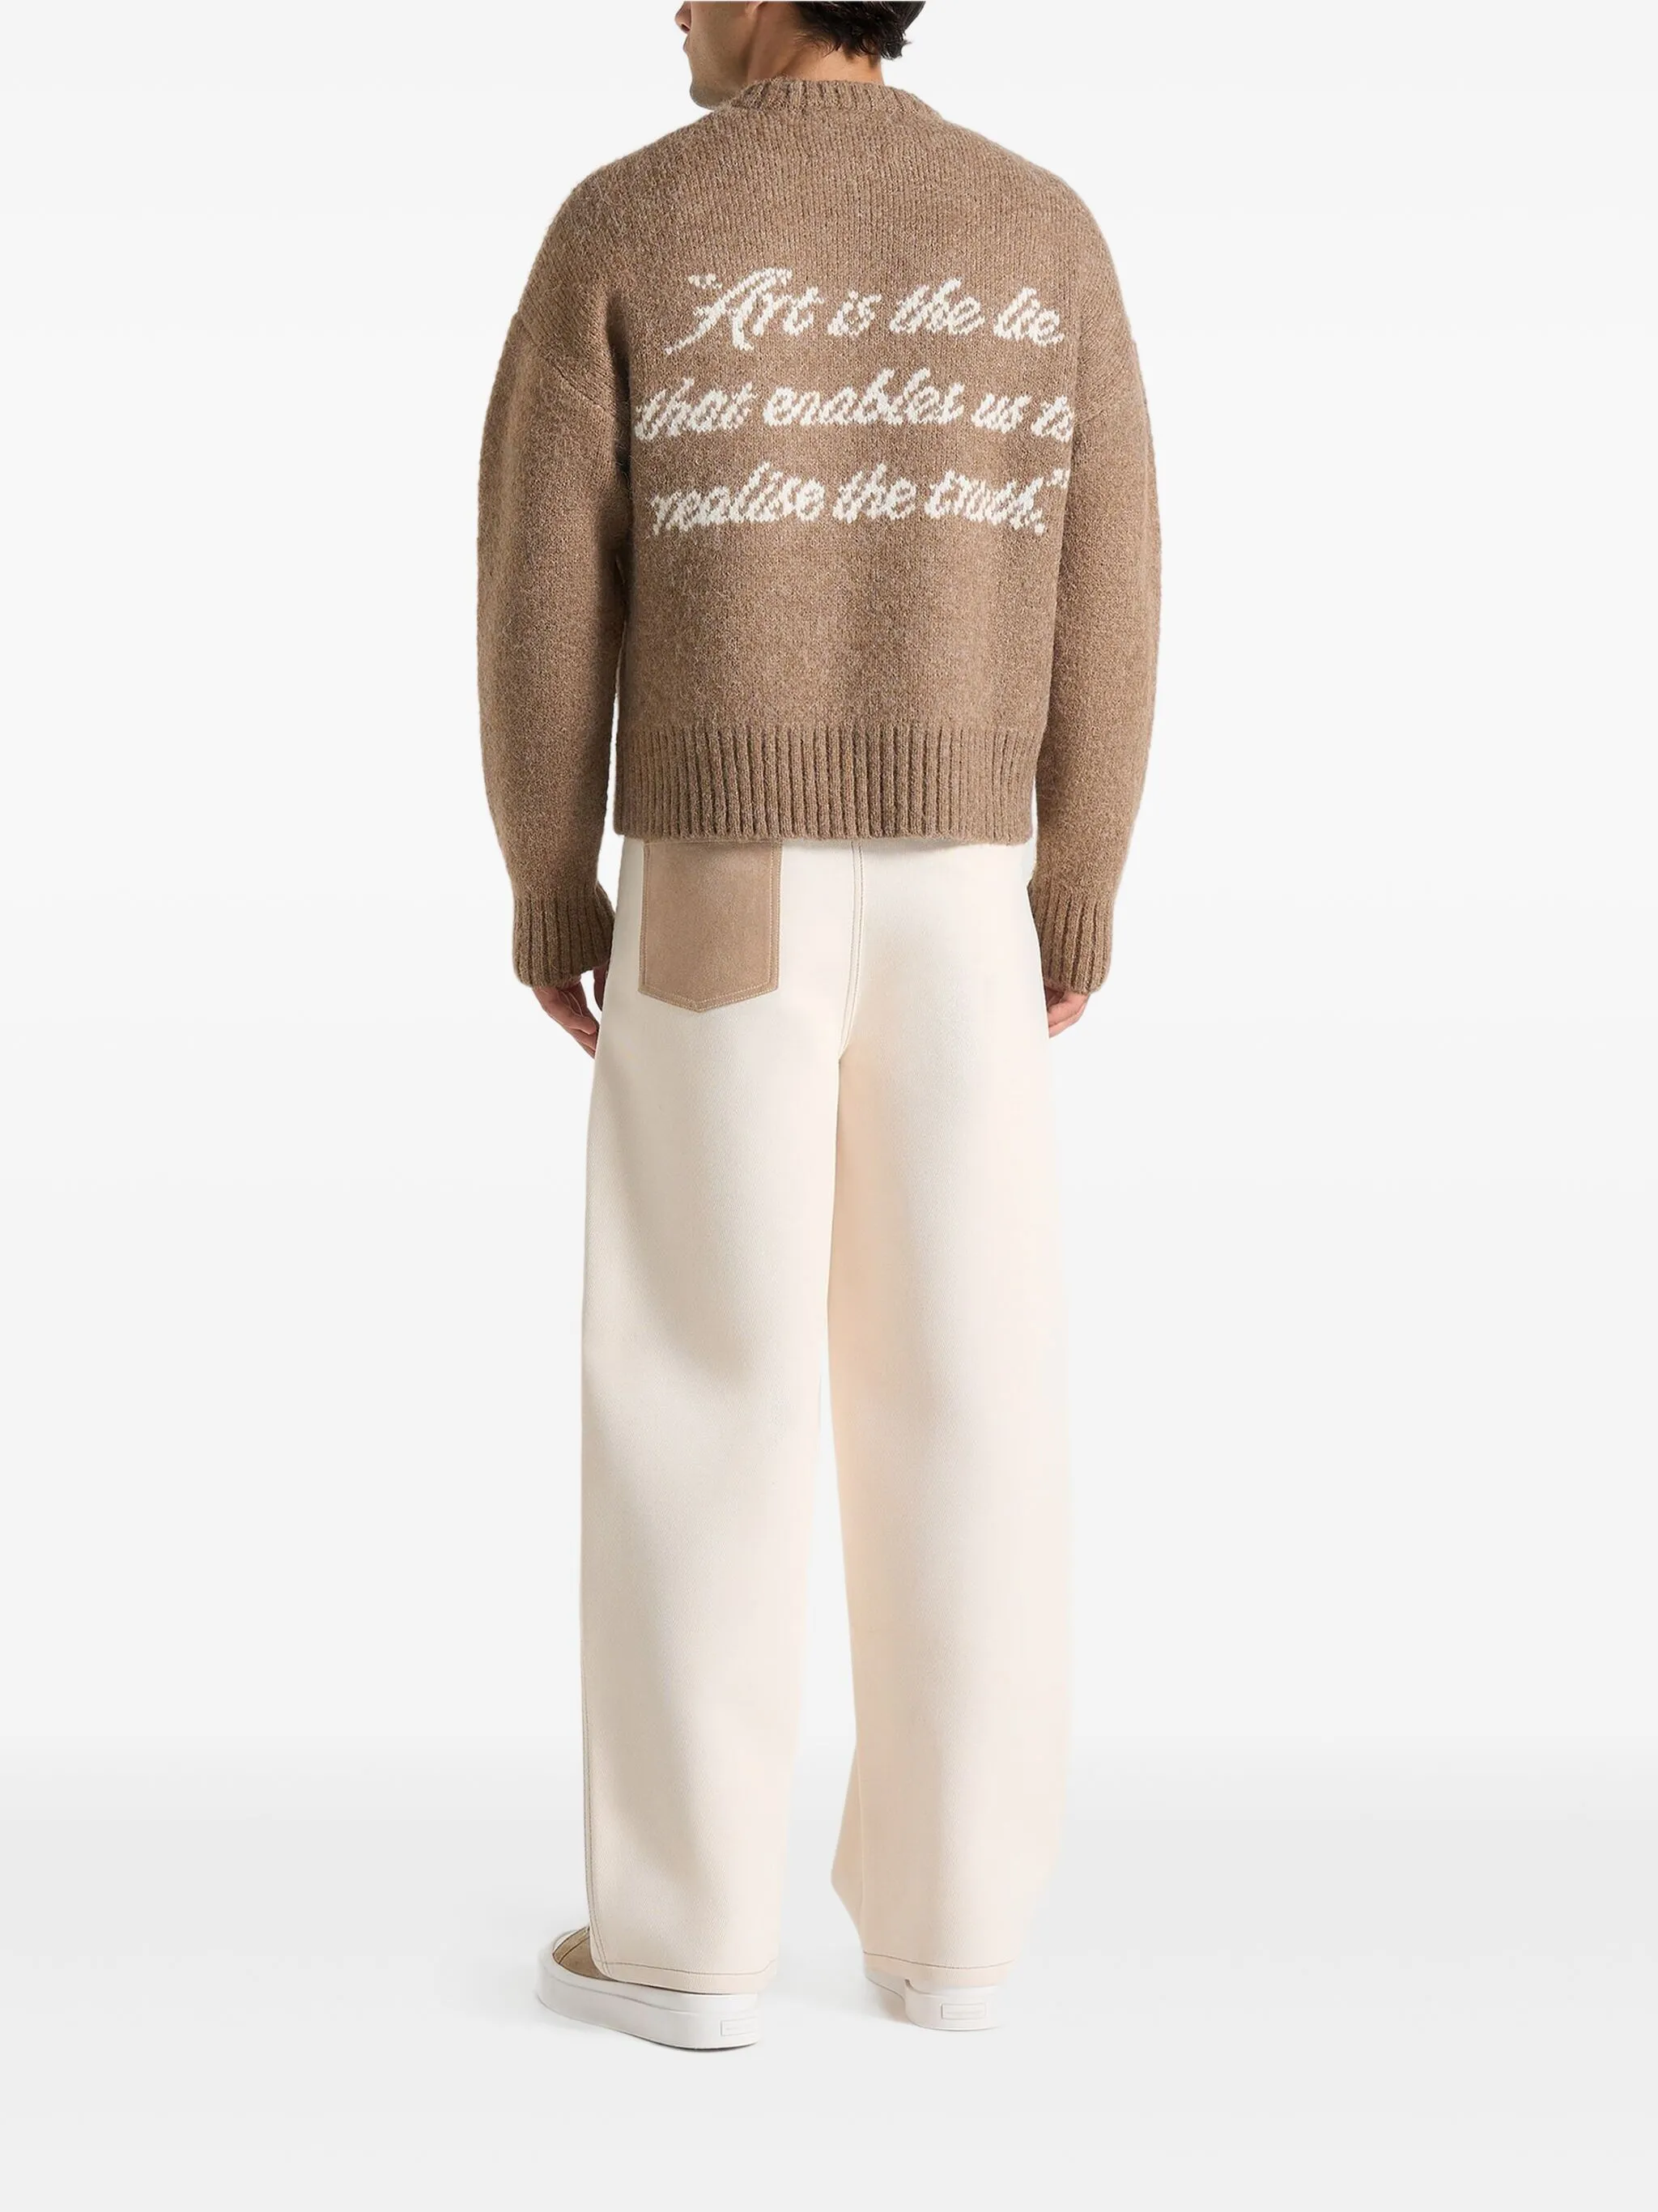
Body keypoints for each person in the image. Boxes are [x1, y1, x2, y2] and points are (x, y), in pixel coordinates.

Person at [478, 0, 1158, 2049]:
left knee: (702, 1394)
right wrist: (1074, 874)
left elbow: (537, 590)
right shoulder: (1037, 230)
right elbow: (1114, 578)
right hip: (965, 899)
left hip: (718, 877)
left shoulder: (625, 225)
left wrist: (549, 878)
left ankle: (685, 1945)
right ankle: (953, 1936)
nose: (670, 7)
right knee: (965, 1395)